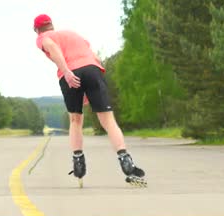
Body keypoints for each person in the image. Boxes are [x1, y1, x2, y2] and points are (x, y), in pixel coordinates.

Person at [33, 14, 146, 185]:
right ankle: (125, 159)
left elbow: (52, 47)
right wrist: (94, 84)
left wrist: (67, 71)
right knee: (108, 119)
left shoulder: (43, 37)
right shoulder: (73, 34)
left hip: (70, 72)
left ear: (36, 30)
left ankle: (78, 161)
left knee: (75, 119)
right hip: (93, 70)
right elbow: (96, 58)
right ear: (52, 25)